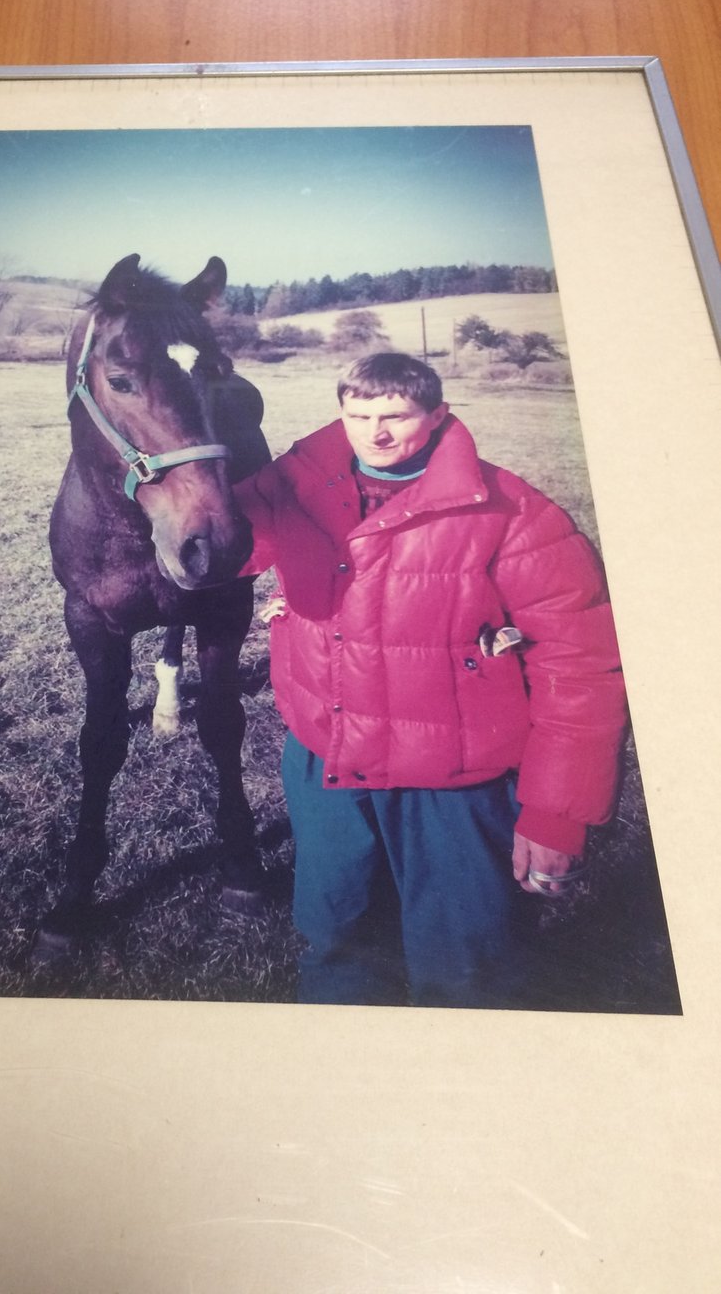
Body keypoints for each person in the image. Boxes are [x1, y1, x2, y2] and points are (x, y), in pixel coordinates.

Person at [233, 351, 627, 1008]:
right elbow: (217, 542)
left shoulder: (511, 513)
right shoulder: (298, 486)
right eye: (358, 416)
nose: (375, 434)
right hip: (324, 767)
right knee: (339, 941)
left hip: (450, 784)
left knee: (466, 965)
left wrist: (556, 815)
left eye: (395, 417)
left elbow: (581, 667)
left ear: (439, 414)